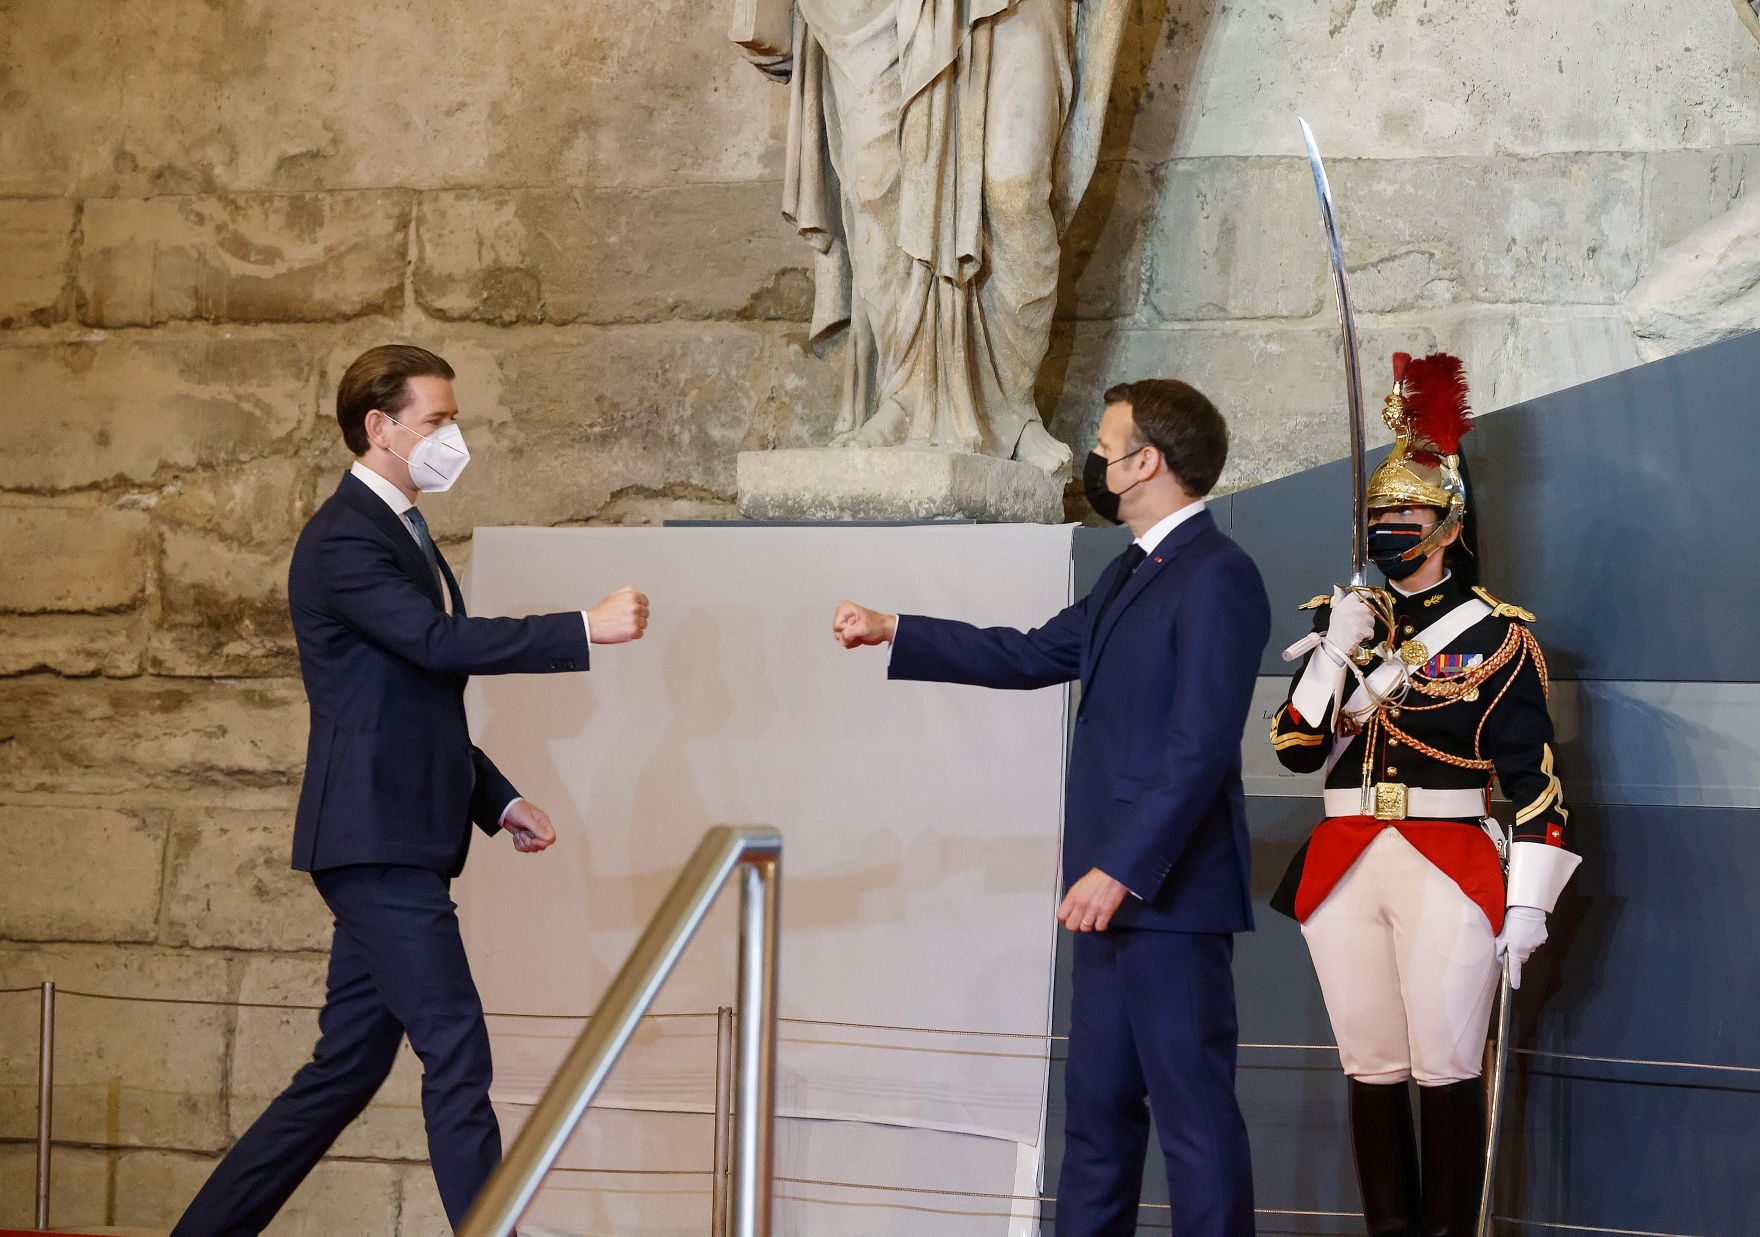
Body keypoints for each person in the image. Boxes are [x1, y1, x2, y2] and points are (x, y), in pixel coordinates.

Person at [174, 344, 650, 1234]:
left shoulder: (401, 530)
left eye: (453, 419)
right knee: (456, 1047)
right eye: (437, 421)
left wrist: (498, 800)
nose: (453, 436)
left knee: (344, 1071)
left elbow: (409, 698)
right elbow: (435, 646)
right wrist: (584, 628)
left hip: (393, 839)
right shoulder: (346, 537)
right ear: (380, 427)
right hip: (374, 842)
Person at [833, 379, 1269, 1236]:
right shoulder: (1129, 572)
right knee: (1097, 1120)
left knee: (1195, 1124)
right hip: (1101, 901)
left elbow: (1200, 747)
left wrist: (1123, 869)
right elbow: (1032, 653)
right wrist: (897, 628)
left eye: (1109, 446)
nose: (1098, 458)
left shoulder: (1219, 574)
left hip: (1166, 902)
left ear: (1148, 462)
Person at [1267, 352, 1581, 1237]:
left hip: (1448, 859)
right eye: (1378, 515)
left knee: (1446, 1064)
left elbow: (1533, 779)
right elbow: (1296, 749)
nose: (1387, 528)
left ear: (1447, 524)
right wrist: (1335, 650)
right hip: (1343, 860)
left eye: (1404, 514)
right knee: (1370, 1064)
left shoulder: (1495, 636)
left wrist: (1529, 902)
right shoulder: (1343, 624)